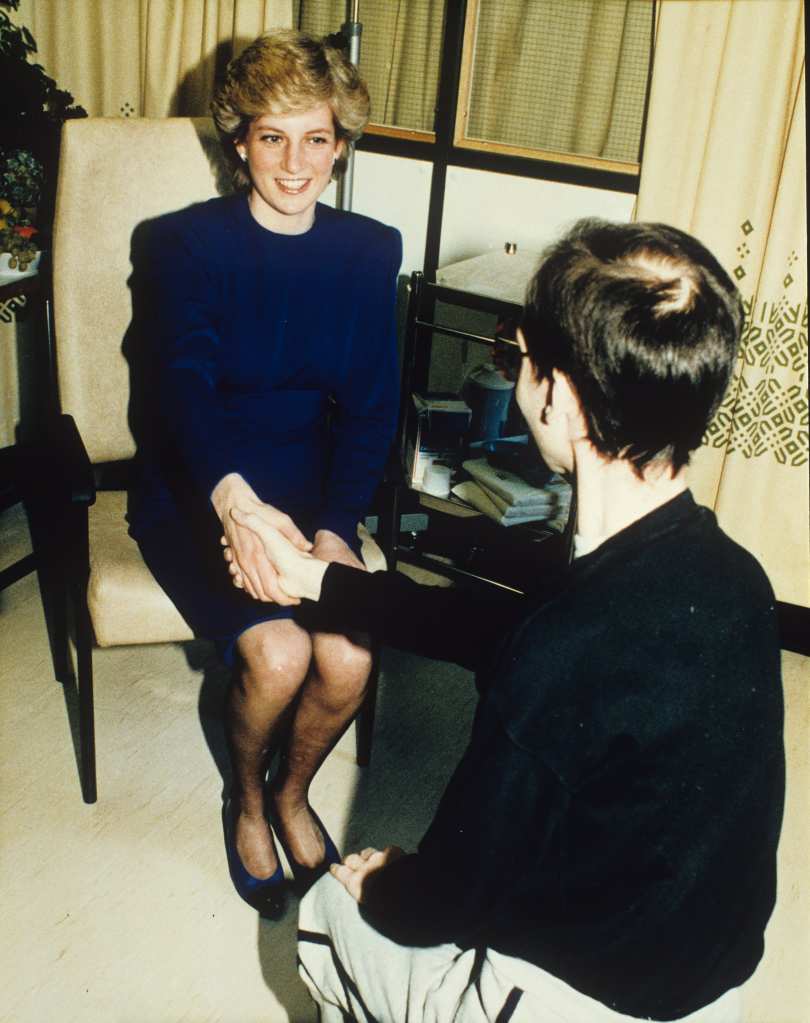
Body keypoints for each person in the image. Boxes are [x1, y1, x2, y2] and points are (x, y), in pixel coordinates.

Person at [226, 220, 784, 1022]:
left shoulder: (563, 655)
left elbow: (448, 895)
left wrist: (380, 881)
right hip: (705, 983)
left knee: (326, 914)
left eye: (524, 360)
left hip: (586, 1000)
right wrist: (319, 581)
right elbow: (501, 628)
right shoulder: (732, 577)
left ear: (560, 395)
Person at [127, 29, 402, 915]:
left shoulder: (367, 251)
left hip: (313, 489)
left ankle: (293, 789)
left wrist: (334, 527)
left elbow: (370, 405)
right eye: (272, 137)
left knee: (351, 656)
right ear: (237, 141)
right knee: (279, 653)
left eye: (316, 138)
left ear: (342, 145)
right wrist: (237, 507)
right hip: (199, 480)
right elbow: (179, 394)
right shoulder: (180, 246)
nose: (295, 162)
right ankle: (246, 796)